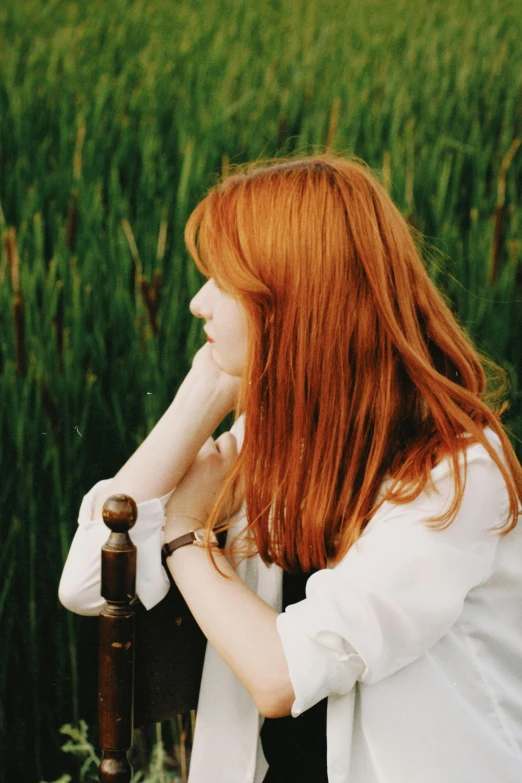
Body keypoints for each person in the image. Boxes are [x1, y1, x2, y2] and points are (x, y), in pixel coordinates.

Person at [59, 153, 522, 783]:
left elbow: (282, 675)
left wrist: (186, 536)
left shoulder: (455, 476)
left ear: (296, 302)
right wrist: (198, 401)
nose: (197, 303)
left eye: (222, 282)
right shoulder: (278, 444)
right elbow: (88, 582)